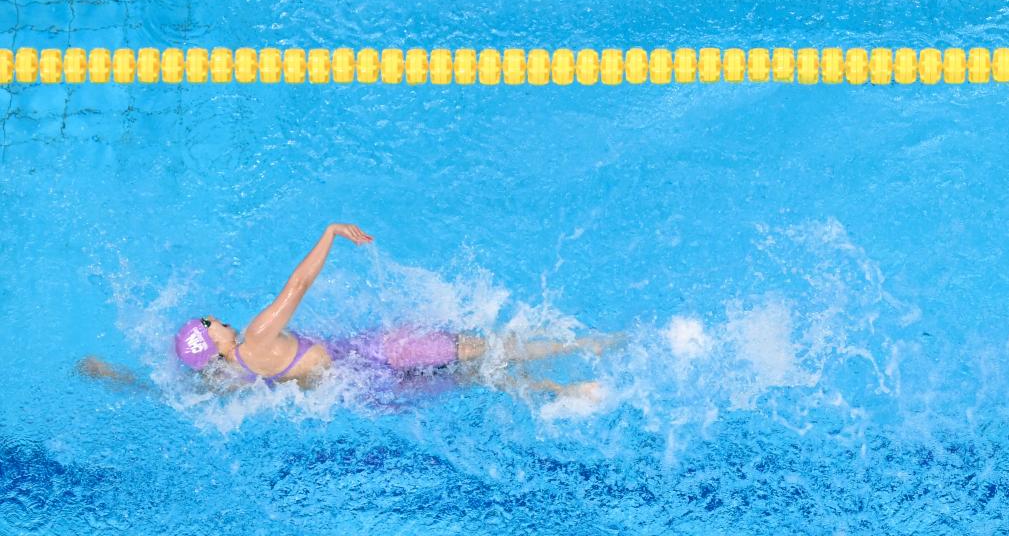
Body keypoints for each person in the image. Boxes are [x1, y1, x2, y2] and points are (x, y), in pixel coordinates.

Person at [78, 224, 621, 404]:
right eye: (208, 324)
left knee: (474, 376)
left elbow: (170, 395)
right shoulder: (256, 337)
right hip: (377, 354)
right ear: (215, 343)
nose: (215, 319)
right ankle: (582, 346)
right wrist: (331, 232)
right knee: (483, 349)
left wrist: (111, 374)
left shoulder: (226, 377)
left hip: (368, 391)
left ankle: (563, 392)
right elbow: (298, 283)